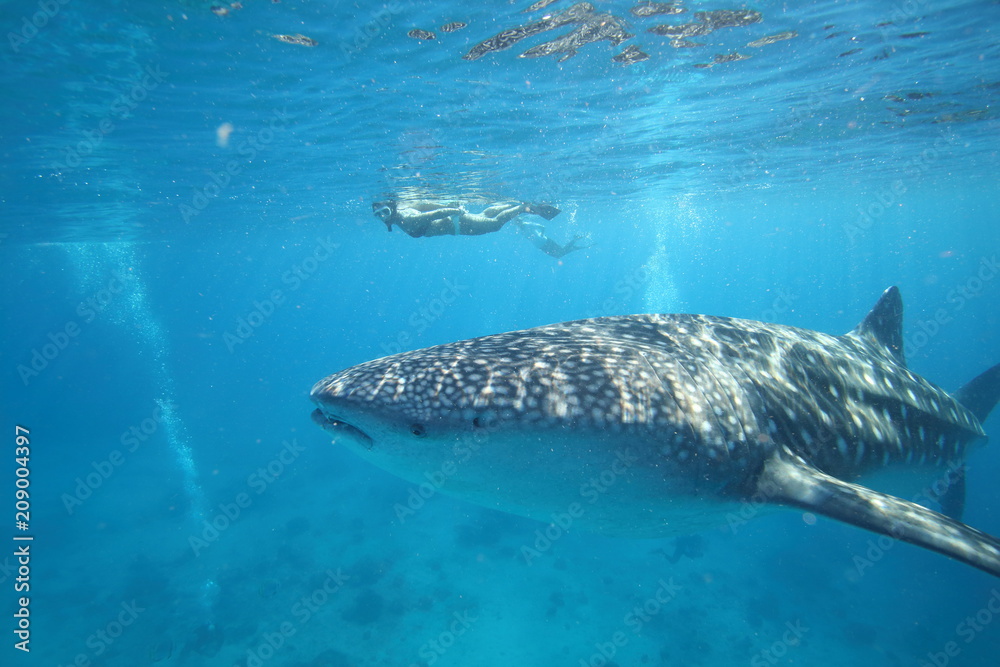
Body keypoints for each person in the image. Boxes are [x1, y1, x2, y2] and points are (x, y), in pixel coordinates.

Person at [371, 199, 589, 258]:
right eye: (378, 215)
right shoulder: (406, 210)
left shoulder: (406, 219)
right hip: (458, 220)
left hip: (459, 225)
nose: (382, 218)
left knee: (494, 225)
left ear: (391, 208)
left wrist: (453, 210)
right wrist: (453, 208)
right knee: (488, 214)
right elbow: (430, 207)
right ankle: (513, 203)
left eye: (384, 213)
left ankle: (525, 207)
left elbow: (434, 214)